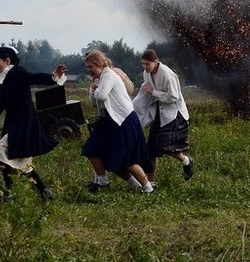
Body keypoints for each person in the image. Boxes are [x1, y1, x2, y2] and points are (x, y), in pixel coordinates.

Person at [0, 46, 66, 200]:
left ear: (8, 61)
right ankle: (43, 191)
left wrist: (53, 77)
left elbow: (33, 77)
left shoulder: (17, 73)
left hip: (25, 126)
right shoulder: (2, 82)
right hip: (14, 126)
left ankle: (12, 193)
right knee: (22, 164)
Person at [81, 49, 154, 193]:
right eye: (87, 67)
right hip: (110, 122)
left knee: (125, 160)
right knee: (92, 149)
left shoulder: (108, 75)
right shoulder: (100, 78)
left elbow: (101, 96)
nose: (89, 70)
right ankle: (103, 182)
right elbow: (94, 102)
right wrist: (92, 87)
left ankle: (148, 188)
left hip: (124, 121)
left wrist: (96, 89)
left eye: (91, 67)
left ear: (98, 64)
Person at [132, 49, 193, 183]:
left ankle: (186, 161)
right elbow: (147, 92)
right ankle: (151, 182)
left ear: (156, 62)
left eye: (147, 64)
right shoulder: (146, 73)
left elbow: (173, 96)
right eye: (143, 64)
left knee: (165, 146)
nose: (145, 67)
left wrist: (154, 92)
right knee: (151, 150)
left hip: (174, 114)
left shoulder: (167, 74)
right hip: (159, 113)